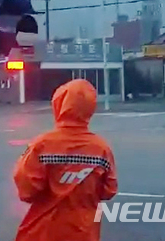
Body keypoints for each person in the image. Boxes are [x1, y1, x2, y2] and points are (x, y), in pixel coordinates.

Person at [13, 79, 118, 241]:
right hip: (84, 233)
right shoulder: (101, 149)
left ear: (59, 105)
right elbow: (108, 191)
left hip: (43, 233)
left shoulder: (42, 145)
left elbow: (26, 191)